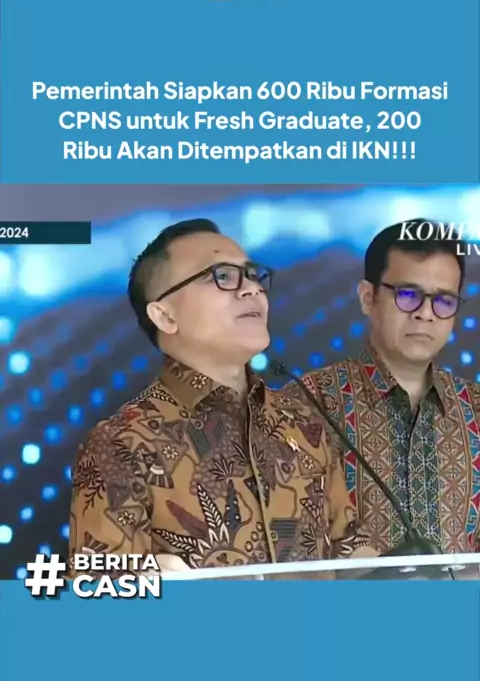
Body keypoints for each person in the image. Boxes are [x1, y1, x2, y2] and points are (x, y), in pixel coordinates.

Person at [69, 218, 377, 578]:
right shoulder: (121, 443)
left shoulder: (305, 425)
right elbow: (96, 586)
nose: (251, 290)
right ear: (165, 315)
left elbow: (348, 547)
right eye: (222, 276)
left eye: (252, 275)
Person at [302, 219, 480, 555]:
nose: (426, 313)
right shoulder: (308, 402)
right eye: (408, 295)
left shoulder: (476, 406)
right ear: (368, 297)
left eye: (444, 300)